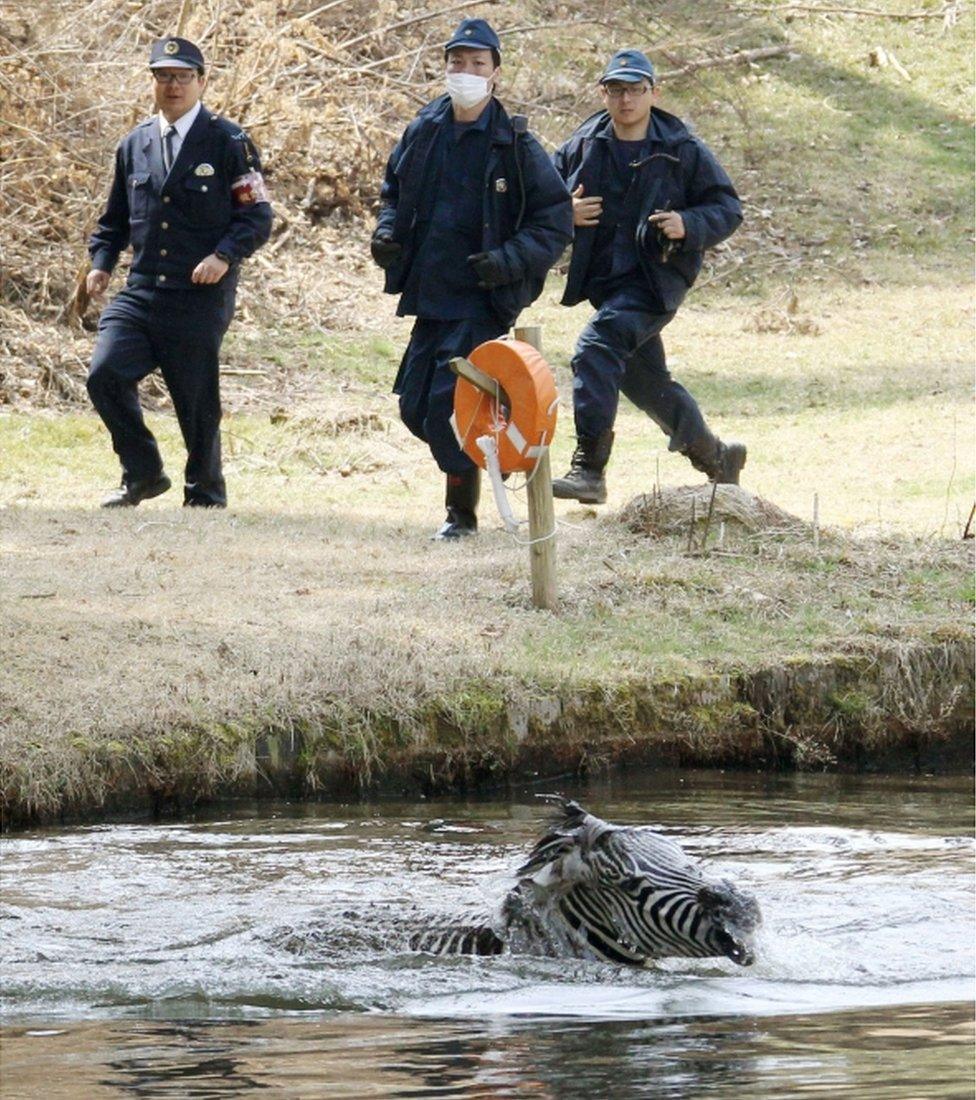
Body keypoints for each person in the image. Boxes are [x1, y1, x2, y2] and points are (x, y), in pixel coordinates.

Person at [371, 18, 573, 539]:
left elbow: (554, 220)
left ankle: (460, 517)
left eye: (477, 64)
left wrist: (507, 261)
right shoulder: (424, 129)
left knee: (448, 402)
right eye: (456, 62)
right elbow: (392, 191)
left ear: (495, 74)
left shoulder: (516, 144)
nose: (465, 72)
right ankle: (495, 452)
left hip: (482, 297)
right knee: (415, 406)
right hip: (428, 290)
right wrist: (388, 233)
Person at [550, 48, 745, 505]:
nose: (625, 100)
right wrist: (565, 211)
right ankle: (717, 459)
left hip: (656, 282)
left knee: (595, 348)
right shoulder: (584, 143)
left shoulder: (681, 148)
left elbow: (727, 207)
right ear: (603, 94)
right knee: (644, 381)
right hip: (606, 285)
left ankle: (589, 470)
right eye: (616, 90)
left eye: (635, 90)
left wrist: (689, 224)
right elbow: (540, 195)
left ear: (653, 92)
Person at [85, 36, 272, 508]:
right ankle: (143, 474)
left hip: (199, 291)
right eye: (164, 76)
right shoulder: (134, 144)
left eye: (183, 76)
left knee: (194, 398)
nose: (173, 86)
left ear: (202, 81)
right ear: (153, 81)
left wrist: (224, 256)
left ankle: (205, 491)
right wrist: (102, 264)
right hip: (144, 288)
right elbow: (114, 220)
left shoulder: (229, 140)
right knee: (104, 375)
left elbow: (256, 215)